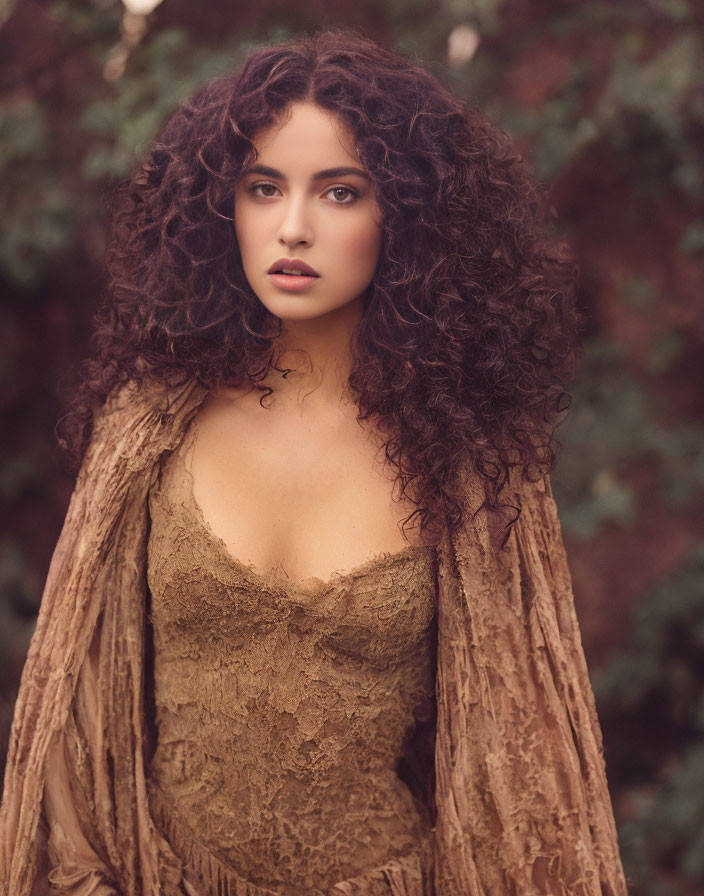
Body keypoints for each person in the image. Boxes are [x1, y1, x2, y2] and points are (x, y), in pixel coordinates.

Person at [0, 28, 628, 896]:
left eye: (339, 192)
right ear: (226, 207)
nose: (292, 227)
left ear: (404, 219)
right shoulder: (151, 423)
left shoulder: (472, 459)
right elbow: (68, 702)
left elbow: (526, 766)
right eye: (264, 188)